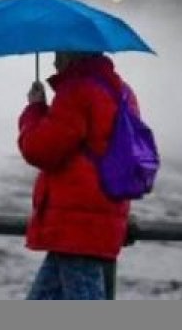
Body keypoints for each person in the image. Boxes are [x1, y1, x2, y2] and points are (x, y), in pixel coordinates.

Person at [17, 51, 142, 300]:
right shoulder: (122, 92)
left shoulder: (76, 93)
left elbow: (41, 149)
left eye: (59, 53)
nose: (54, 62)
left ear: (72, 56)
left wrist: (35, 109)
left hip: (77, 224)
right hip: (102, 216)